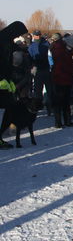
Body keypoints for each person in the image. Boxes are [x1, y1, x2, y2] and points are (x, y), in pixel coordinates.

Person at [0, 21, 29, 149]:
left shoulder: (8, 40)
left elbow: (14, 49)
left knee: (10, 109)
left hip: (6, 82)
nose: (19, 36)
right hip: (1, 81)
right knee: (7, 109)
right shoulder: (2, 40)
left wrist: (25, 49)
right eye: (19, 33)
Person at [50, 34, 73, 128]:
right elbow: (67, 66)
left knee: (59, 102)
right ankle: (66, 121)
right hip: (63, 79)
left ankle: (59, 122)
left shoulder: (56, 48)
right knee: (65, 101)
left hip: (58, 78)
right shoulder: (62, 51)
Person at [28, 29, 53, 114]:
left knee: (49, 90)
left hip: (46, 69)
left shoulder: (46, 43)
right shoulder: (31, 46)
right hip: (37, 70)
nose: (37, 36)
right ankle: (38, 107)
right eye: (36, 35)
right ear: (33, 36)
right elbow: (30, 58)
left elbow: (50, 55)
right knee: (38, 91)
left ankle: (51, 108)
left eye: (39, 35)